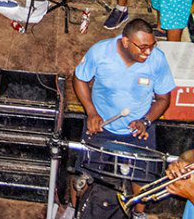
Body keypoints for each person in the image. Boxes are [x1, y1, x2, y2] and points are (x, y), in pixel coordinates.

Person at [73, 18, 175, 217]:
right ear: (125, 41)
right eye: (143, 47)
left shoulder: (157, 60)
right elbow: (80, 78)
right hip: (101, 127)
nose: (148, 52)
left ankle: (138, 214)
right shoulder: (100, 52)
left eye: (151, 46)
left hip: (138, 130)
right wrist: (91, 112)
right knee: (82, 174)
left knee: (143, 180)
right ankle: (74, 210)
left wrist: (145, 121)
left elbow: (163, 99)